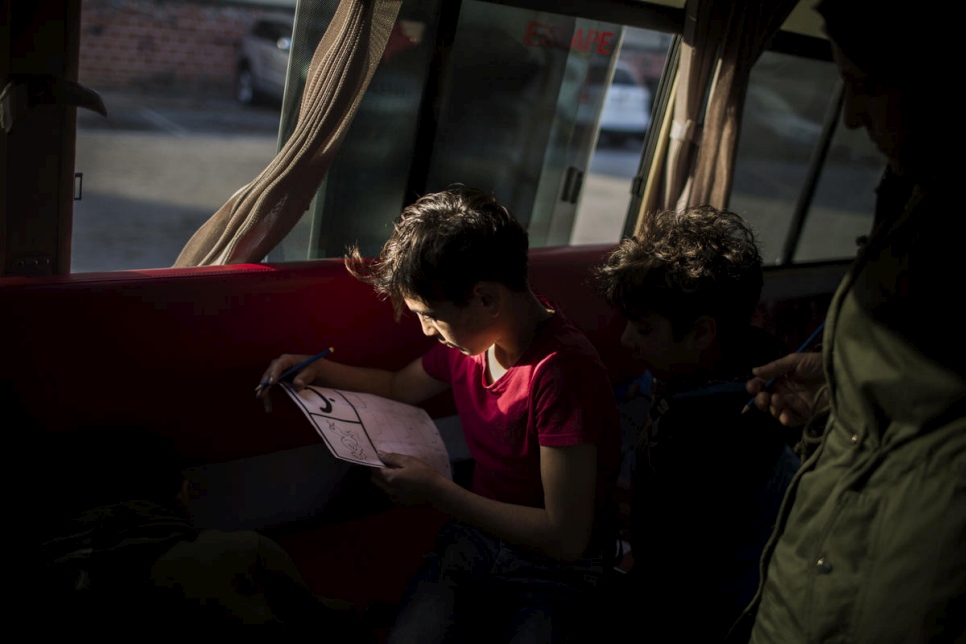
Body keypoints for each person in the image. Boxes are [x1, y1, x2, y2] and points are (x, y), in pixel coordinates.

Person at [258, 186, 622, 643]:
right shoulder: (476, 340)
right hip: (477, 539)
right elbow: (398, 387)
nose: (426, 330)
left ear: (486, 299)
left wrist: (435, 492)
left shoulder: (561, 373)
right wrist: (316, 368)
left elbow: (565, 538)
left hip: (555, 570)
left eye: (430, 315)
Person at [737, 1, 965, 641]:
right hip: (819, 573)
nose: (853, 118)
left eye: (867, 86)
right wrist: (841, 403)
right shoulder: (914, 201)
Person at [594, 206, 800, 641]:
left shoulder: (709, 443)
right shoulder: (745, 358)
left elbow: (673, 583)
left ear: (702, 332)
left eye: (644, 328)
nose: (627, 339)